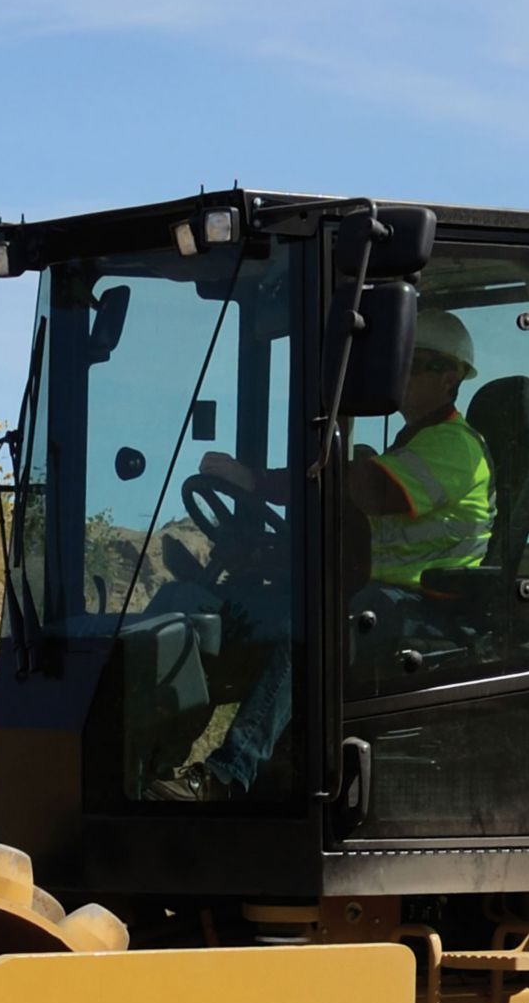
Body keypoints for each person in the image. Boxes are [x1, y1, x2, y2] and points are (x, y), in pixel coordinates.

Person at [149, 308, 492, 801]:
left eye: (417, 364)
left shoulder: (455, 447)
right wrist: (267, 553)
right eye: (402, 362)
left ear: (451, 377)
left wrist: (259, 480)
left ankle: (229, 775)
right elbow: (346, 520)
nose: (403, 374)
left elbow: (363, 492)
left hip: (419, 608)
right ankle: (153, 762)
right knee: (195, 605)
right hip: (368, 596)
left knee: (314, 625)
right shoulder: (409, 444)